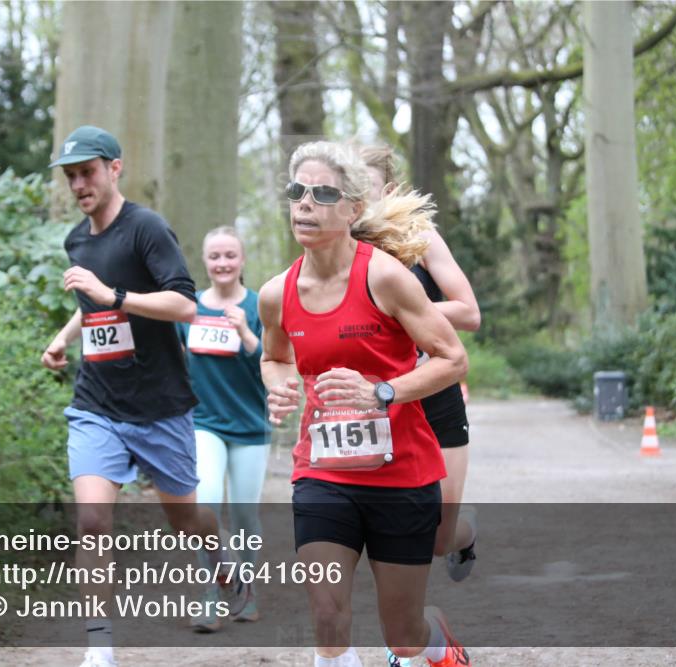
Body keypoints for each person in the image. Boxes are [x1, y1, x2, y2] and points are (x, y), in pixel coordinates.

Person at [41, 125, 248, 667]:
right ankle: (100, 647)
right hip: (97, 403)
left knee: (185, 519)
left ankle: (223, 559)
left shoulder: (147, 229)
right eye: (71, 177)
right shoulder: (77, 240)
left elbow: (183, 305)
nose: (79, 184)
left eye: (88, 172)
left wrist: (115, 296)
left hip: (159, 405)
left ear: (115, 168)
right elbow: (94, 305)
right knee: (91, 519)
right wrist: (65, 337)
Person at [259, 140, 472, 667]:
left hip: (401, 474)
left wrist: (382, 391)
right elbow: (275, 357)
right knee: (328, 616)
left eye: (323, 193)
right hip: (322, 474)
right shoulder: (275, 293)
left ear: (354, 208)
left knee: (403, 635)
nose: (305, 204)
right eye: (297, 192)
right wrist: (280, 382)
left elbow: (453, 358)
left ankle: (438, 643)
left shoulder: (385, 276)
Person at [358, 144, 481, 667]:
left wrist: (406, 311)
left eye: (360, 187)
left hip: (434, 397)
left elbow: (469, 312)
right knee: (388, 535)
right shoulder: (338, 248)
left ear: (386, 192)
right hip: (379, 405)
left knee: (437, 538)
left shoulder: (419, 239)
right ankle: (407, 649)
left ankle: (465, 533)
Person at [176, 226, 271, 631]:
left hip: (250, 425)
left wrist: (247, 333)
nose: (222, 263)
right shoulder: (189, 308)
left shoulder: (259, 306)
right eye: (215, 256)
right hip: (204, 423)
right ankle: (211, 593)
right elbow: (174, 360)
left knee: (245, 515)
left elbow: (274, 362)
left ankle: (246, 589)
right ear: (205, 262)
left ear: (242, 260)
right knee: (206, 508)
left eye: (230, 255)